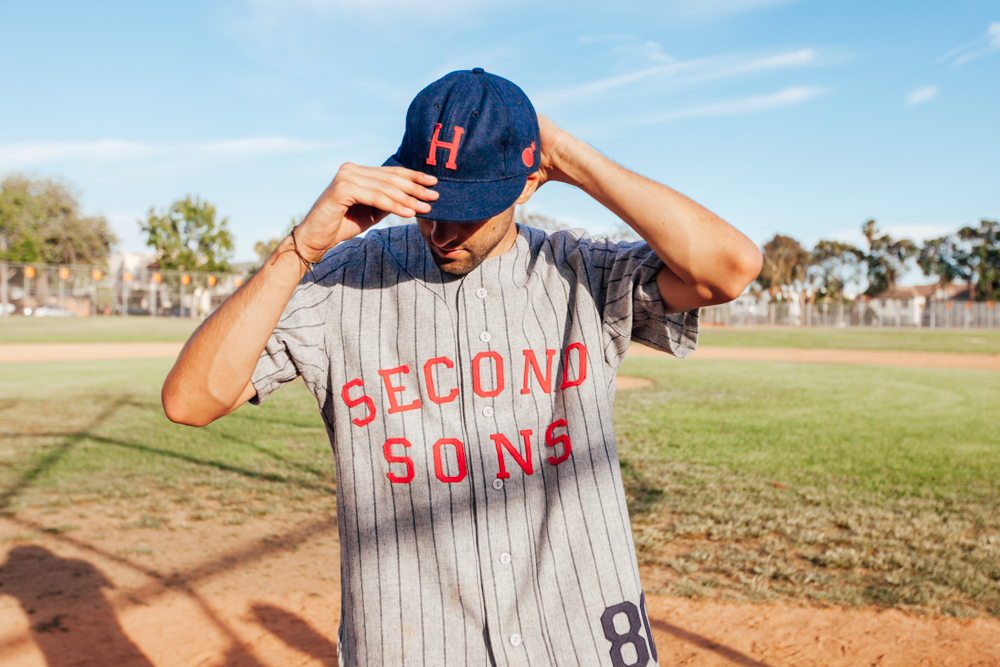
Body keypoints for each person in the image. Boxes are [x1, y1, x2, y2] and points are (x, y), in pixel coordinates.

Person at [162, 68, 761, 666]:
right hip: (415, 644)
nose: (442, 230)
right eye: (427, 204)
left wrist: (570, 157)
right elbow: (191, 401)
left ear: (527, 184)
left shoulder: (582, 271)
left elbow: (728, 268)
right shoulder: (342, 280)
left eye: (467, 207)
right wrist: (302, 249)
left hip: (578, 635)